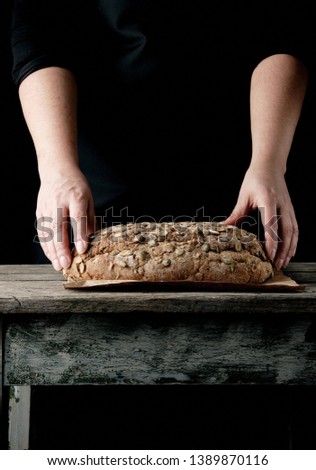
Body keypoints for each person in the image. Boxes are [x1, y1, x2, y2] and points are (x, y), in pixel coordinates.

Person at [10, 0, 311, 272]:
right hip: (93, 182)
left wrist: (269, 163)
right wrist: (57, 169)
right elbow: (39, 41)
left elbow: (280, 34)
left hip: (240, 182)